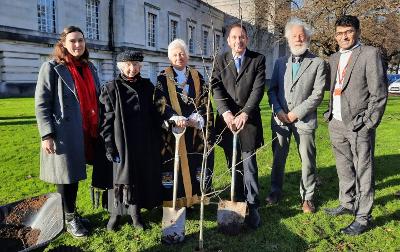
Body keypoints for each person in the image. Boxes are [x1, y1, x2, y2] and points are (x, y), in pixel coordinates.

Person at [35, 26, 102, 237]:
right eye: (72, 41)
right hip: (63, 132)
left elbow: (98, 96)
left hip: (87, 130)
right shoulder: (52, 68)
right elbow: (42, 103)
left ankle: (69, 213)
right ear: (63, 43)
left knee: (73, 177)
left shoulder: (90, 67)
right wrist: (47, 135)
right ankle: (69, 219)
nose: (77, 45)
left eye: (80, 40)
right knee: (65, 177)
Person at [323, 15, 388, 235]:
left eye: (349, 32)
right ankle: (347, 202)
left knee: (364, 169)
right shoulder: (332, 58)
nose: (345, 37)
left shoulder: (370, 54)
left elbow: (379, 94)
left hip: (359, 125)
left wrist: (369, 123)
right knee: (343, 167)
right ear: (335, 36)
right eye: (340, 33)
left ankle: (363, 216)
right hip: (336, 122)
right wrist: (329, 113)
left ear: (357, 32)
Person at [266, 18, 327, 213]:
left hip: (304, 120)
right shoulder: (279, 63)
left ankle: (307, 197)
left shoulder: (317, 63)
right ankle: (275, 191)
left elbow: (317, 94)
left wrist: (295, 114)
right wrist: (279, 111)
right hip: (280, 120)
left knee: (308, 160)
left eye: (302, 35)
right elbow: (272, 90)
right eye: (294, 35)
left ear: (308, 37)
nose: (298, 38)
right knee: (278, 158)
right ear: (288, 38)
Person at [99, 51, 163, 231]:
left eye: (135, 65)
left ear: (140, 66)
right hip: (121, 142)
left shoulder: (147, 86)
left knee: (138, 178)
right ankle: (115, 214)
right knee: (118, 179)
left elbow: (156, 110)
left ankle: (136, 215)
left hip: (143, 141)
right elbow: (106, 119)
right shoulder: (111, 87)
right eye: (127, 64)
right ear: (120, 66)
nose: (131, 68)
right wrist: (109, 144)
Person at [212, 23, 265, 229]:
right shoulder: (220, 60)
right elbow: (215, 87)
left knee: (249, 165)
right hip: (227, 122)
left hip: (248, 121)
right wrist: (225, 112)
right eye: (234, 37)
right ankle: (238, 200)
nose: (238, 41)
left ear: (247, 40)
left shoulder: (257, 59)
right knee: (233, 164)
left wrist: (245, 113)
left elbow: (258, 89)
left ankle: (253, 205)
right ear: (228, 41)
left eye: (242, 37)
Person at [156, 39, 214, 208]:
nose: (179, 57)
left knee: (196, 163)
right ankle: (176, 201)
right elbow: (159, 102)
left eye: (182, 53)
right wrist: (174, 117)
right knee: (174, 166)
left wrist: (198, 116)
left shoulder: (197, 76)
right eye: (174, 54)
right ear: (169, 57)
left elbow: (205, 100)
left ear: (187, 56)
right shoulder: (163, 76)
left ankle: (196, 199)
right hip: (174, 131)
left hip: (195, 132)